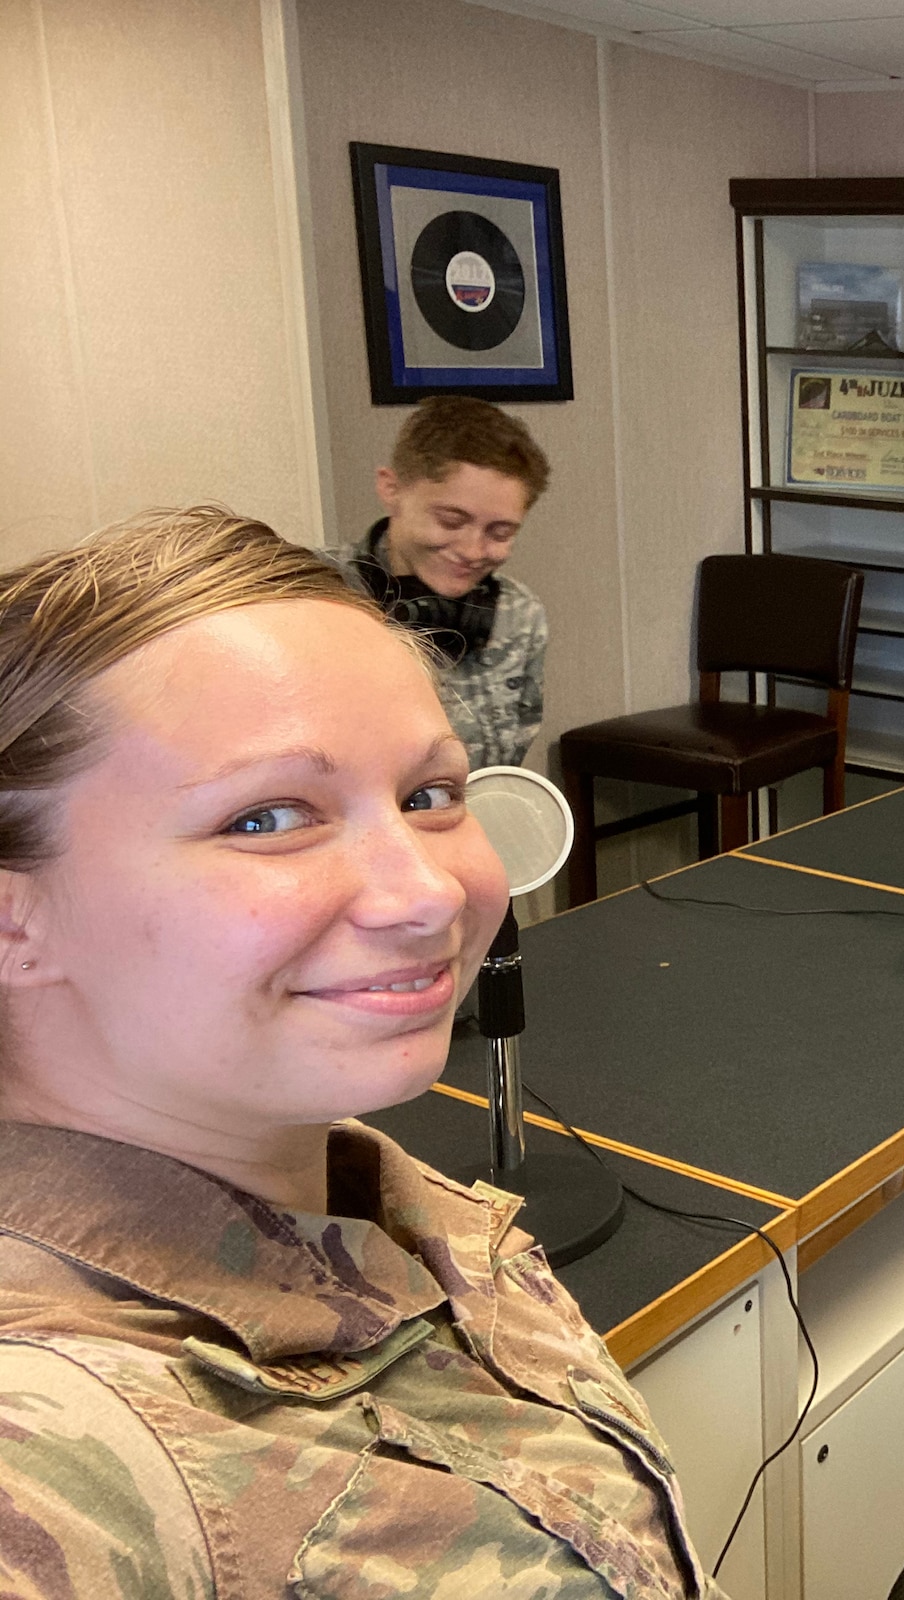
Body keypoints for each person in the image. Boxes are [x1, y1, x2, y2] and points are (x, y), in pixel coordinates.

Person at [0, 510, 720, 1598]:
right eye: (268, 817)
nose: (428, 891)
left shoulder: (386, 1206)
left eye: (430, 796)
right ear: (15, 918)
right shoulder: (55, 1446)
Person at [332, 394, 551, 770]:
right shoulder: (311, 597)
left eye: (500, 532)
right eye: (451, 521)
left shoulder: (520, 615)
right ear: (391, 489)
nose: (472, 550)